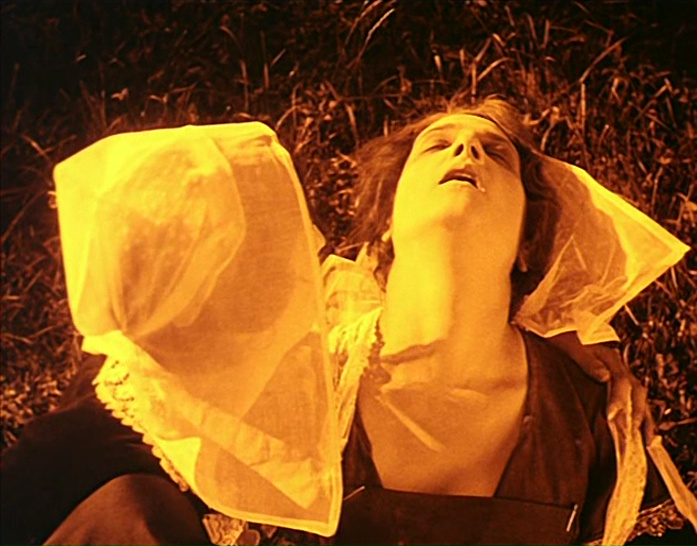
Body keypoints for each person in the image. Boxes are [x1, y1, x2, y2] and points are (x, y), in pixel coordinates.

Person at [1, 98, 694, 545]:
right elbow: (66, 460)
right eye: (438, 145)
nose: (466, 153)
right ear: (386, 221)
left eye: (496, 152)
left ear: (526, 244)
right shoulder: (295, 378)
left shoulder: (591, 414)